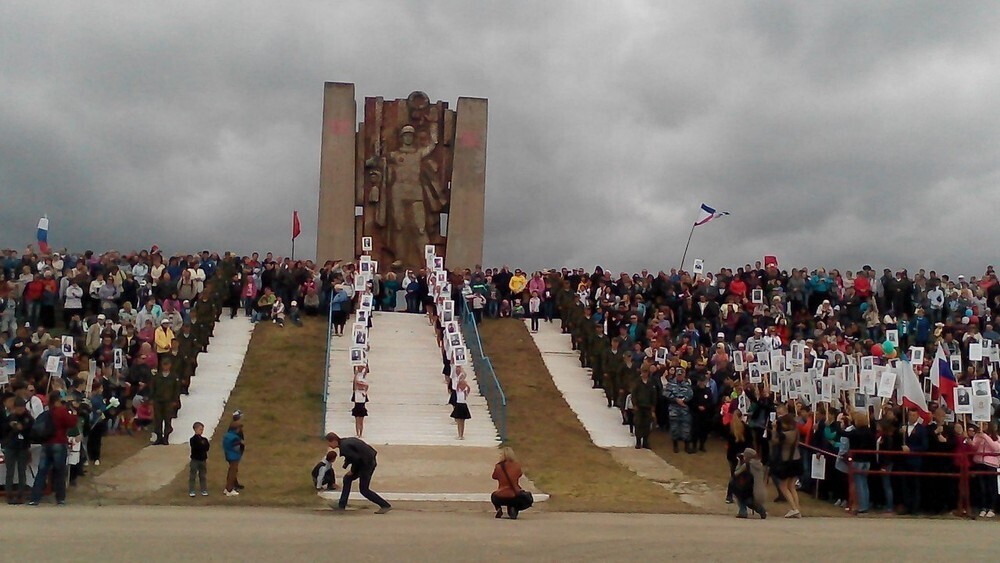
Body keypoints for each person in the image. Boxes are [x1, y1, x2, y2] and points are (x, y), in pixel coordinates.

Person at [29, 392, 79, 506]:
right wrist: (74, 413)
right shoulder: (61, 411)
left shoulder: (47, 413)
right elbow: (71, 422)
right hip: (59, 442)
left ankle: (35, 498)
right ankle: (60, 498)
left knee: (42, 471)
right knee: (60, 471)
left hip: (46, 443)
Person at [328, 432, 392, 513]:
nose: (329, 446)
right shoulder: (345, 441)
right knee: (347, 479)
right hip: (366, 462)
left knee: (364, 490)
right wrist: (346, 466)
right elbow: (352, 456)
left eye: (329, 443)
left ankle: (385, 505)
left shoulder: (344, 447)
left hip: (366, 465)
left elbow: (356, 459)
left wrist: (352, 470)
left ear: (334, 441)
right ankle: (341, 505)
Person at [2, 396, 33, 504]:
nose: (20, 410)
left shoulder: (28, 418)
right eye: (18, 408)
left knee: (21, 472)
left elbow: (31, 433)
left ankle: (20, 495)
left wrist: (23, 429)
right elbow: (3, 431)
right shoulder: (10, 417)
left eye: (21, 408)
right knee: (9, 472)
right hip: (11, 446)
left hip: (23, 447)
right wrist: (10, 426)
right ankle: (8, 495)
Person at [770, 413, 802, 518]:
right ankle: (797, 508)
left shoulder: (785, 435)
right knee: (792, 486)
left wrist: (774, 429)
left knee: (783, 486)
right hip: (797, 459)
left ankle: (794, 508)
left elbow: (774, 442)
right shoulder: (796, 432)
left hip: (787, 461)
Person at [491, 447, 531, 519]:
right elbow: (519, 474)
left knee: (493, 496)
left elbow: (494, 476)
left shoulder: (499, 466)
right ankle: (513, 508)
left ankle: (499, 509)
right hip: (514, 494)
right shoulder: (517, 465)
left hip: (501, 494)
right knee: (515, 501)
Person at [149, 356, 180, 445]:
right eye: (164, 365)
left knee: (167, 419)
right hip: (158, 400)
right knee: (158, 419)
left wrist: (175, 400)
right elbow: (152, 388)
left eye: (167, 364)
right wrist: (152, 398)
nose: (165, 367)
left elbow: (176, 390)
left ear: (170, 365)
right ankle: (159, 437)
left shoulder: (174, 377)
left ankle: (166, 437)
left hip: (168, 401)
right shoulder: (157, 376)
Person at [731, 448, 767, 519]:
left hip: (750, 492)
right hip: (760, 493)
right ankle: (761, 510)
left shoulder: (747, 465)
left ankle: (743, 512)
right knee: (750, 500)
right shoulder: (760, 464)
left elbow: (735, 473)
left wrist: (739, 462)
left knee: (737, 489)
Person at [223, 421, 244, 496]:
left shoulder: (227, 435)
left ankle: (227, 488)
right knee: (233, 472)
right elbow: (237, 448)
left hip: (228, 455)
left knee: (230, 471)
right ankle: (229, 489)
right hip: (234, 456)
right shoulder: (235, 438)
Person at [189, 421, 210, 497]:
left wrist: (202, 445)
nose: (202, 431)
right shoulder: (192, 439)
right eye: (200, 429)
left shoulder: (204, 439)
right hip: (195, 460)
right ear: (195, 429)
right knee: (193, 476)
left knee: (203, 476)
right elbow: (197, 447)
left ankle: (204, 490)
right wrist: (202, 445)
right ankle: (192, 490)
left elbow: (206, 447)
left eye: (202, 429)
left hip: (203, 460)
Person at [451, 373, 472, 440]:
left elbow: (468, 388)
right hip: (458, 404)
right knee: (458, 421)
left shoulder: (466, 390)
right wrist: (461, 378)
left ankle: (461, 435)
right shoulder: (457, 390)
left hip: (463, 405)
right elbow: (458, 381)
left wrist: (465, 382)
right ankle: (459, 434)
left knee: (462, 421)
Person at [352, 367, 369, 438]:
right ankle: (357, 433)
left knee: (361, 422)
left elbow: (367, 385)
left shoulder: (364, 393)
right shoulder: (356, 391)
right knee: (357, 421)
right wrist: (355, 375)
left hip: (362, 406)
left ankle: (361, 433)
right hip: (357, 406)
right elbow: (355, 384)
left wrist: (366, 367)